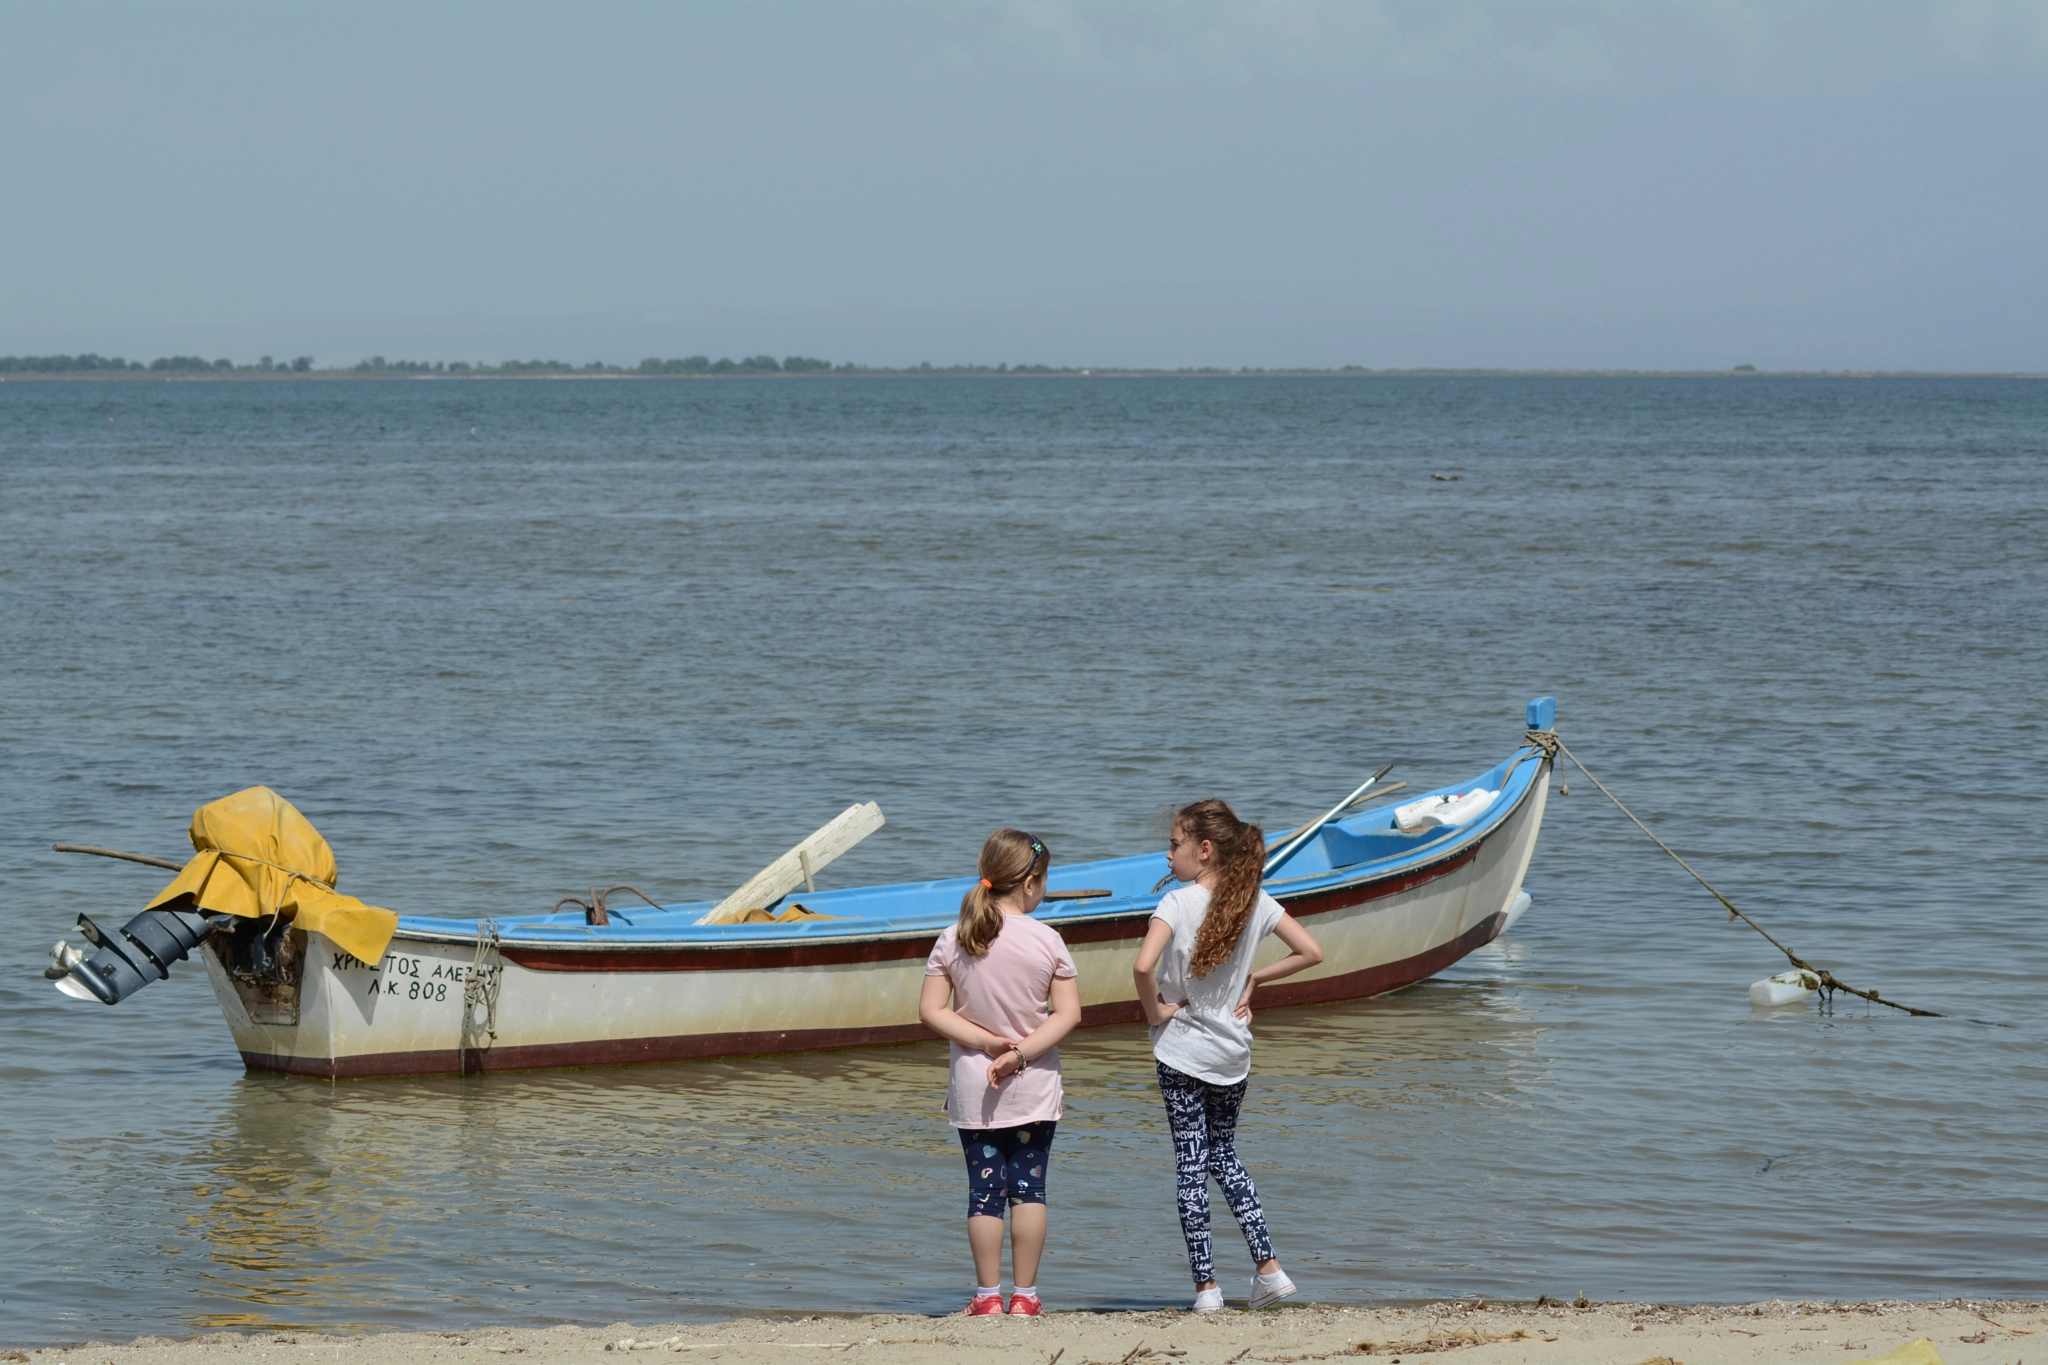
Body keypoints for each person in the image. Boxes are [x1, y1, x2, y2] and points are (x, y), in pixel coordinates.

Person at [1133, 797, 1324, 1313]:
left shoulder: (1176, 903)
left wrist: (1155, 1014)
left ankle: (1207, 1291)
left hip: (1181, 1054)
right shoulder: (1256, 901)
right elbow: (1312, 952)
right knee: (1224, 1156)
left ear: (1205, 849)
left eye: (1174, 845)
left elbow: (1142, 966)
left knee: (1191, 1168)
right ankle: (1269, 1270)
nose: (1168, 854)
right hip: (1232, 1056)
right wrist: (1256, 977)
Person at [919, 829, 1083, 1318]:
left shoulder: (955, 936)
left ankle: (988, 1297)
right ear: (1032, 882)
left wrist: (987, 1042)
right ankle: (1026, 1299)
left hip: (975, 1088)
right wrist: (1020, 1054)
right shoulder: (1048, 939)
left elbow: (931, 1010)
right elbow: (1068, 1014)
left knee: (984, 1191)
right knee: (1030, 1188)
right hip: (1032, 1086)